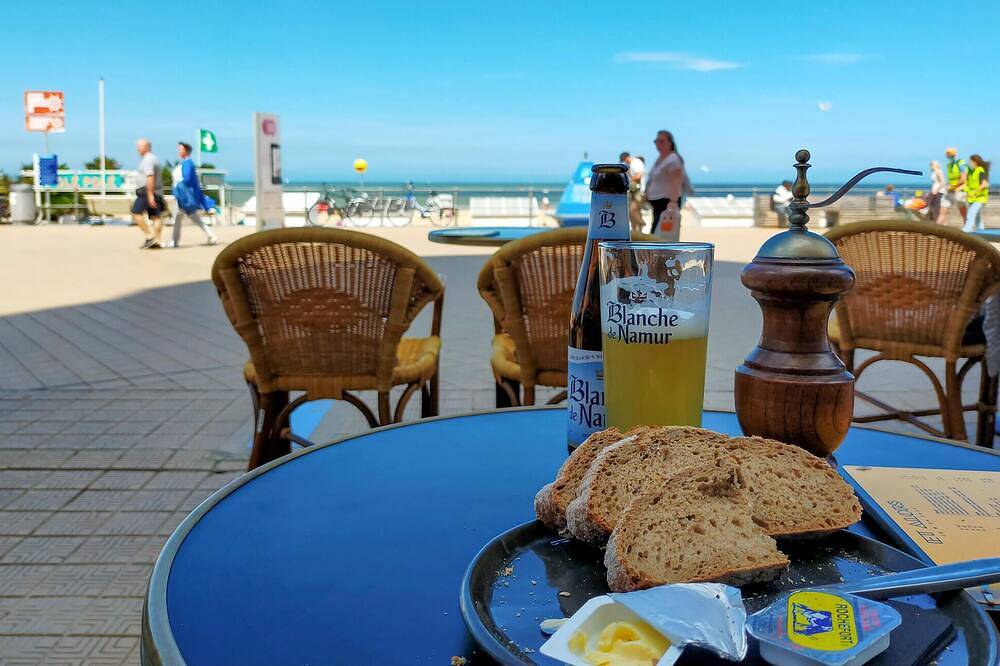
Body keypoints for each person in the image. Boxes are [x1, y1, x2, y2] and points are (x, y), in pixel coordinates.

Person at [644, 130, 690, 240]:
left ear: (670, 142)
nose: (658, 144)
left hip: (667, 202)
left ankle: (663, 256)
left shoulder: (672, 158)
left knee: (663, 234)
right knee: (657, 232)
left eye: (662, 141)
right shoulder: (660, 159)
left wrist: (673, 202)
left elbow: (677, 179)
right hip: (658, 201)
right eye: (656, 141)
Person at [170, 142, 217, 247]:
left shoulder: (187, 163)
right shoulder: (188, 163)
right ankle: (175, 241)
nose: (179, 151)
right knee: (184, 217)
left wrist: (178, 189)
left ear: (186, 151)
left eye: (180, 149)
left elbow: (186, 180)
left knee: (184, 217)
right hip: (184, 196)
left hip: (184, 196)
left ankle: (175, 241)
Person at [131, 139, 166, 249]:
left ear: (147, 147)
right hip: (157, 191)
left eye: (139, 146)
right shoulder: (154, 159)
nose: (137, 148)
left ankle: (150, 237)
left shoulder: (148, 160)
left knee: (136, 213)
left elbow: (150, 176)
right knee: (156, 216)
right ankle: (157, 241)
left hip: (147, 191)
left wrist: (150, 195)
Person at [962, 154, 990, 233]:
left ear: (975, 162)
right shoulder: (971, 172)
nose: (969, 163)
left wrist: (975, 191)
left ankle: (966, 230)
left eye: (970, 162)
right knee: (977, 217)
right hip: (972, 198)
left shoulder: (980, 170)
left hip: (980, 197)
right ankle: (981, 231)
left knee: (971, 213)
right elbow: (969, 184)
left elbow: (984, 184)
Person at [619, 151, 646, 233]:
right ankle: (636, 230)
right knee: (633, 211)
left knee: (633, 210)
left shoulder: (636, 163)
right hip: (634, 191)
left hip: (638, 191)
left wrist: (629, 180)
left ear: (626, 158)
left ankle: (641, 224)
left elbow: (639, 175)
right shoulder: (631, 164)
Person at [945, 147, 968, 224]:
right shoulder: (949, 165)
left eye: (950, 154)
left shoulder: (960, 163)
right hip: (952, 190)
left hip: (960, 190)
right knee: (944, 207)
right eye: (948, 154)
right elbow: (951, 179)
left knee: (962, 208)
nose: (949, 156)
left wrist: (952, 186)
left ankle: (967, 225)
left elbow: (963, 178)